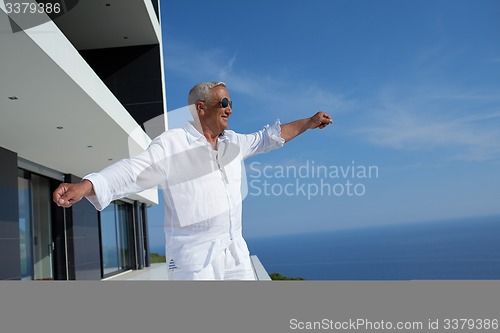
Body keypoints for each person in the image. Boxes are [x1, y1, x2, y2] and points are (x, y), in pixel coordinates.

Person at [53, 81, 333, 280]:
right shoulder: (173, 144)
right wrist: (87, 185)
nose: (230, 109)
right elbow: (133, 170)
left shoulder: (233, 142)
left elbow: (268, 137)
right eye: (224, 102)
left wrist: (308, 122)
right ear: (201, 107)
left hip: (234, 252)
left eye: (231, 103)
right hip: (194, 260)